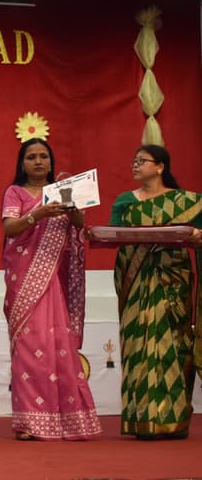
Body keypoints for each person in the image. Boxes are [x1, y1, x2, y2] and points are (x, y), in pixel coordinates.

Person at [1, 137, 101, 441]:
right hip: (24, 280)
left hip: (54, 280)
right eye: (31, 157)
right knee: (29, 349)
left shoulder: (62, 189)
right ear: (22, 163)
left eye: (43, 156)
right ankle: (29, 422)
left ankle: (66, 419)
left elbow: (79, 224)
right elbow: (9, 227)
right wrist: (39, 214)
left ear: (50, 161)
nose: (38, 161)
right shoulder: (15, 192)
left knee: (58, 347)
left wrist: (71, 207)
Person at [108, 144, 202, 439]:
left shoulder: (185, 202)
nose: (135, 165)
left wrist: (198, 237)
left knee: (171, 343)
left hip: (172, 280)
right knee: (138, 346)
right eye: (133, 161)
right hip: (135, 280)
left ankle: (174, 419)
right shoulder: (125, 202)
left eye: (142, 161)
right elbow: (113, 237)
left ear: (160, 167)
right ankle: (141, 419)